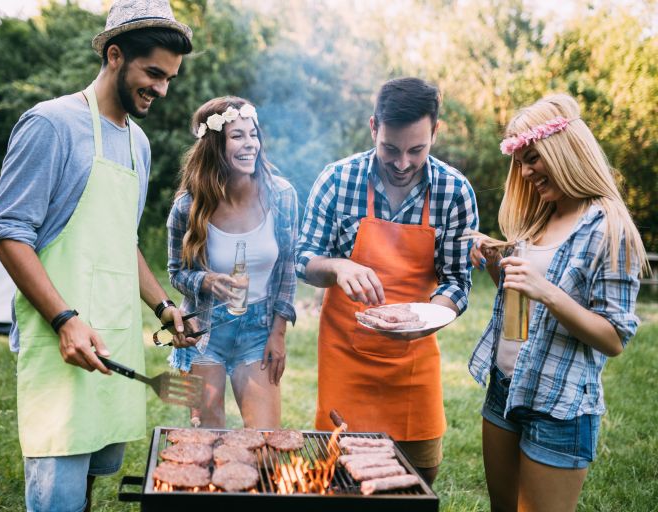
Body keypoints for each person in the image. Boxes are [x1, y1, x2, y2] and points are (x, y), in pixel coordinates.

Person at [0, 1, 193, 510]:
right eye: (153, 73)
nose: (161, 90)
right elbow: (8, 232)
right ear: (116, 55)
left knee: (90, 480)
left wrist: (163, 307)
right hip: (62, 339)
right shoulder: (51, 124)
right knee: (56, 491)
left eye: (168, 79)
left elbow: (122, 240)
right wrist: (64, 319)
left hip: (115, 337)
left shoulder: (138, 143)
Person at [468, 94, 649, 512]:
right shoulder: (539, 216)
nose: (526, 172)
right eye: (521, 163)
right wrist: (497, 264)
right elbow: (520, 300)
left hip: (560, 407)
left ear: (564, 151)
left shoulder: (609, 227)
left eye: (533, 158)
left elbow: (614, 337)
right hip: (504, 389)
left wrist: (547, 290)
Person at [295, 77, 478, 484]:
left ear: (435, 132)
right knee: (338, 477)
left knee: (418, 476)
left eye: (417, 149)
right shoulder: (337, 180)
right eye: (391, 149)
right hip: (346, 354)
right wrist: (339, 267)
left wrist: (428, 318)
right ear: (374, 127)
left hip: (413, 361)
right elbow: (302, 260)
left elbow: (456, 282)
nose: (402, 163)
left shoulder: (455, 192)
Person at [167, 96, 298, 429]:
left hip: (259, 330)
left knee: (266, 442)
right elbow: (176, 272)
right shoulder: (188, 206)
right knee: (208, 443)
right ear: (215, 144)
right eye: (237, 136)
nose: (249, 144)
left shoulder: (281, 196)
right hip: (205, 331)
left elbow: (286, 271)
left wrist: (278, 334)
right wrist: (206, 281)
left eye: (253, 134)